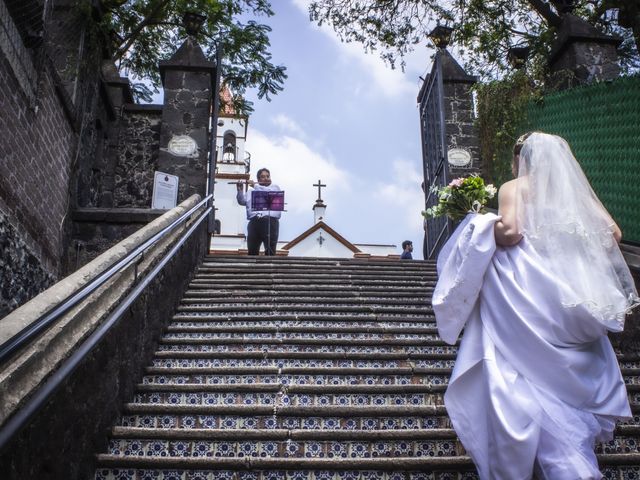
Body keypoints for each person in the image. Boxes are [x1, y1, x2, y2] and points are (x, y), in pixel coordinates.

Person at [433, 132, 639, 480]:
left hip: (531, 293)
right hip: (571, 295)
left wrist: (476, 223)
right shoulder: (572, 193)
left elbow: (511, 232)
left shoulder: (515, 186)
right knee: (558, 379)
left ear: (520, 158)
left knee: (520, 366)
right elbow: (614, 235)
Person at [236, 168, 282, 255]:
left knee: (270, 250)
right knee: (252, 250)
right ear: (258, 180)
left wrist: (254, 185)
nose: (266, 178)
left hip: (270, 221)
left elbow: (267, 192)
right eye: (263, 177)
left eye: (268, 176)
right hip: (254, 222)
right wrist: (240, 190)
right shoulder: (250, 192)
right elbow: (241, 201)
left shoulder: (275, 188)